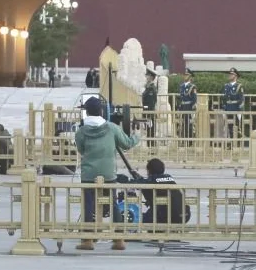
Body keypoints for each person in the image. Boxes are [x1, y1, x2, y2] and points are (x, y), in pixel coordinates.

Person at [74, 96, 138, 251]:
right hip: (108, 173)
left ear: (87, 113)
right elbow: (127, 143)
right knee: (113, 203)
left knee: (88, 205)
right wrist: (137, 135)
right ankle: (118, 239)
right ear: (102, 111)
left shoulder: (81, 131)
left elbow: (81, 149)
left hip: (89, 174)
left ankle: (88, 240)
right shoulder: (112, 128)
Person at [140, 158, 189, 225]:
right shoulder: (169, 178)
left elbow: (139, 182)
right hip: (184, 216)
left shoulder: (151, 180)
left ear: (149, 170)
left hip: (168, 217)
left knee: (139, 218)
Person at [222, 68, 246, 139]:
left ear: (235, 76)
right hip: (228, 108)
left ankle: (237, 143)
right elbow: (224, 98)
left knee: (236, 126)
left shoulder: (239, 86)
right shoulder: (226, 86)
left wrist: (239, 109)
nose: (230, 75)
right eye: (230, 74)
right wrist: (224, 107)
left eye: (231, 74)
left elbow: (241, 98)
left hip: (235, 108)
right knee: (229, 127)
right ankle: (231, 143)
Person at [177, 71, 198, 138]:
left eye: (187, 75)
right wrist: (179, 107)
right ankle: (184, 139)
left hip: (189, 107)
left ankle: (190, 141)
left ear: (190, 77)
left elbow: (194, 98)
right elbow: (181, 98)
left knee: (190, 124)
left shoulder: (192, 86)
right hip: (183, 107)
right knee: (183, 124)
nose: (185, 76)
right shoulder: (182, 86)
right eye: (184, 75)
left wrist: (192, 107)